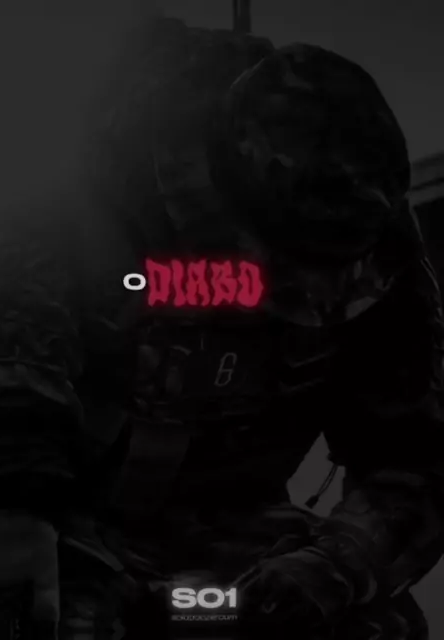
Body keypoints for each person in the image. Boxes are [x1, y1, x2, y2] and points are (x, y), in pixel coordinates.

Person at [78, 17, 444, 640]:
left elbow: (412, 460)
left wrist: (330, 567)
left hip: (238, 541)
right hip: (74, 527)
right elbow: (1, 402)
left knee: (377, 626)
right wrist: (15, 526)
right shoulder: (86, 206)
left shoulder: (370, 239)